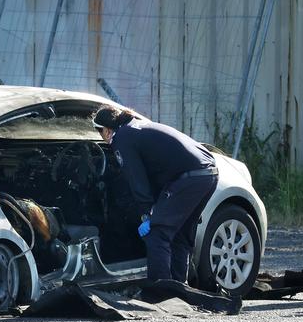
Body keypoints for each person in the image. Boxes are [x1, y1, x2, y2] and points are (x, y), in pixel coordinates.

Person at [92, 105, 218, 284]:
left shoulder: (122, 138)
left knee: (157, 234)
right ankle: (179, 291)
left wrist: (147, 214)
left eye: (100, 133)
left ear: (106, 130)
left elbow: (137, 180)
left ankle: (162, 295)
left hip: (188, 179)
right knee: (180, 236)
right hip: (208, 173)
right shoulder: (136, 126)